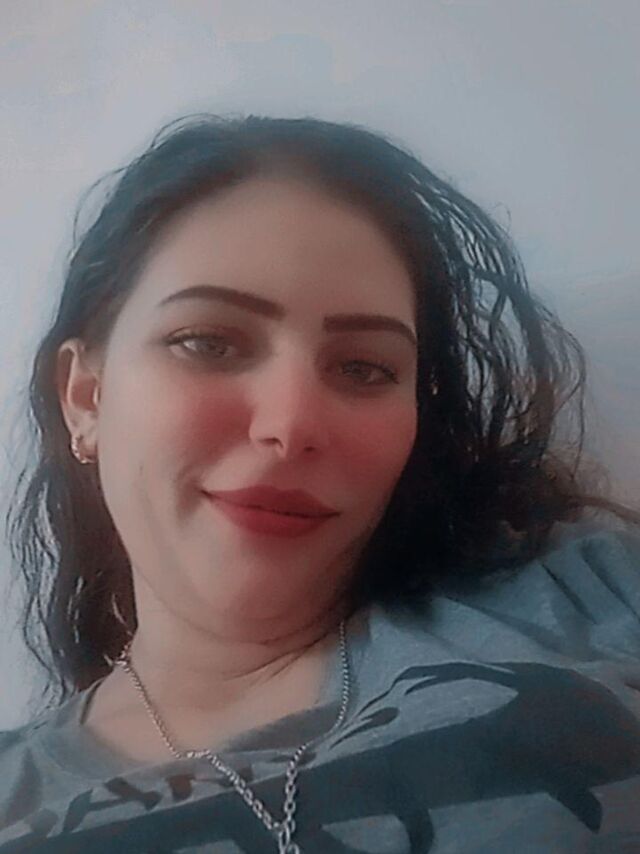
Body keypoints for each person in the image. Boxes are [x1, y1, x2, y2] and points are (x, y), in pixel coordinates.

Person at [1, 113, 639, 854]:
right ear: (85, 397)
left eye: (363, 367)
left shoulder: (582, 592)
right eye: (208, 342)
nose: (290, 424)